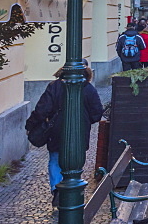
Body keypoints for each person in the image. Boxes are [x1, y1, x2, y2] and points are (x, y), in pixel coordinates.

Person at [26, 61, 104, 207]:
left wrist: (30, 124)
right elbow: (96, 113)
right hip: (79, 132)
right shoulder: (88, 89)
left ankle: (57, 189)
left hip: (56, 130)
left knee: (55, 159)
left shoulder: (54, 86)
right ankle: (71, 188)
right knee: (75, 160)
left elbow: (42, 109)